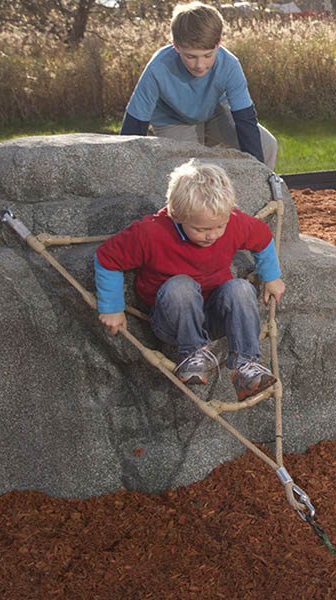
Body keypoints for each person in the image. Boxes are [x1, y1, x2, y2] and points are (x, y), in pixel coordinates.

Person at [94, 160, 285, 401]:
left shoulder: (234, 223)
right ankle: (193, 355)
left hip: (215, 316)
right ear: (177, 215)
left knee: (240, 288)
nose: (212, 235)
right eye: (201, 229)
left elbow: (262, 237)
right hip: (173, 320)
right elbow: (108, 257)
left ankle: (245, 366)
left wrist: (272, 277)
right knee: (180, 286)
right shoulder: (150, 233)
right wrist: (111, 307)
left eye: (219, 226)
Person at [119, 1, 278, 171]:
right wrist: (125, 169)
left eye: (208, 55)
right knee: (191, 171)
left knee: (267, 146)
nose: (200, 65)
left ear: (219, 43)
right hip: (173, 120)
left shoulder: (230, 64)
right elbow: (134, 124)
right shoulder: (158, 67)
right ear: (176, 45)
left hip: (215, 114)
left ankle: (255, 194)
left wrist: (259, 173)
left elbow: (245, 119)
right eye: (190, 56)